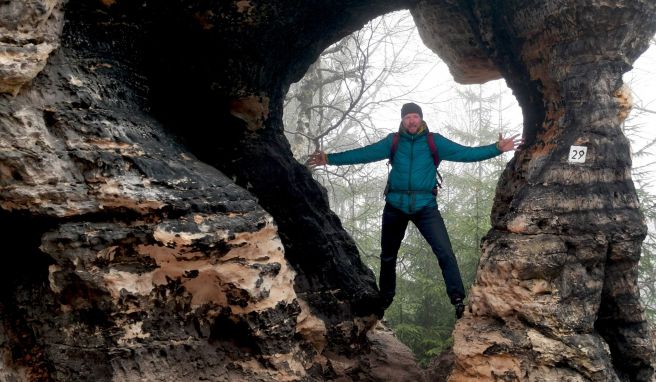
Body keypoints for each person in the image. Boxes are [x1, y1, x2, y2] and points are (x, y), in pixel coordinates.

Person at [307, 102, 522, 319]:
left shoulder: (433, 141)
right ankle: (385, 298)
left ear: (421, 119)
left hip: (425, 207)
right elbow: (365, 153)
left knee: (445, 252)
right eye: (408, 117)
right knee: (388, 256)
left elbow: (465, 153)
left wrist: (496, 149)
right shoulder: (394, 141)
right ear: (402, 120)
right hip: (395, 206)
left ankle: (457, 299)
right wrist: (330, 159)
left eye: (415, 117)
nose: (411, 120)